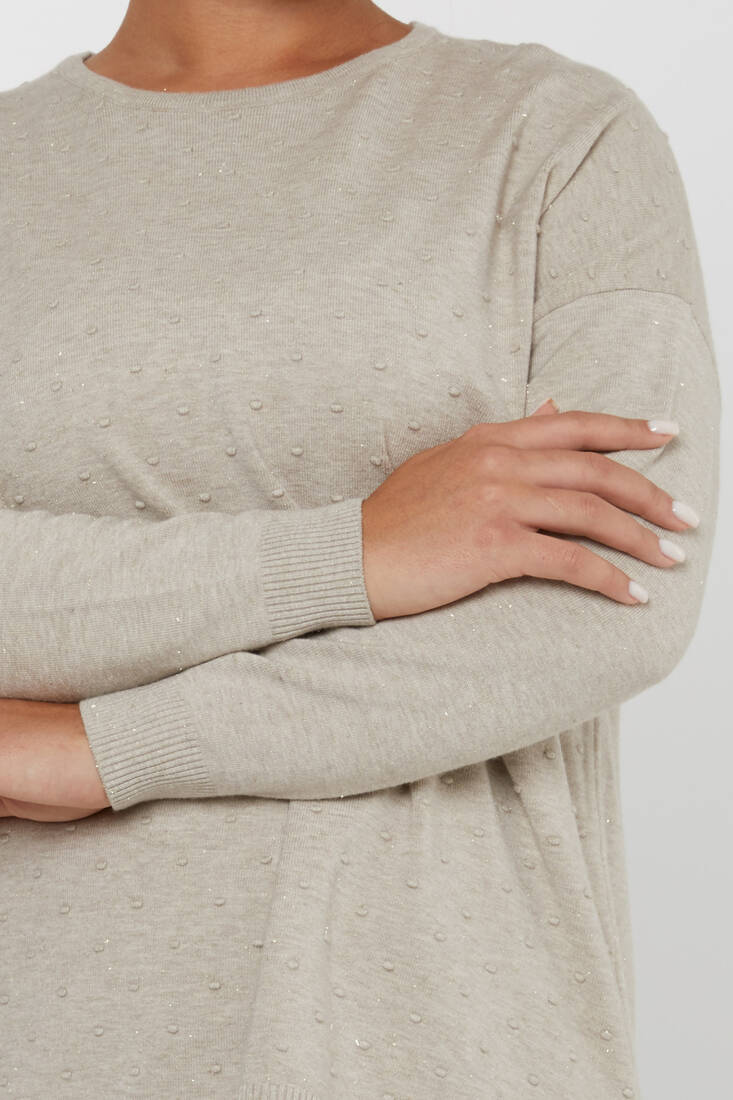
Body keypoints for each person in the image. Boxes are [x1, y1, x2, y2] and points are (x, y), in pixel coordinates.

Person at [0, 1, 719, 1097]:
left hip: (432, 1033)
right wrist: (356, 552)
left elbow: (606, 601)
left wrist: (106, 750)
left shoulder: (555, 135)